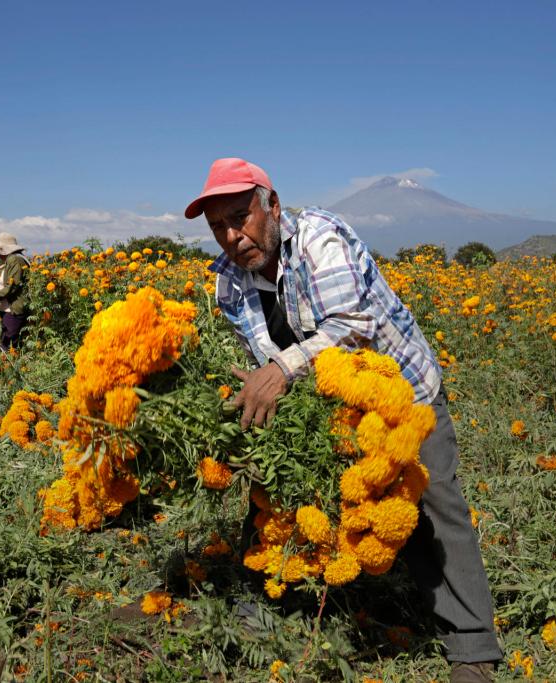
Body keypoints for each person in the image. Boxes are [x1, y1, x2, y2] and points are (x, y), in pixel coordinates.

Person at [184, 158, 503, 683]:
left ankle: (473, 651)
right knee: (276, 490)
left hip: (402, 392)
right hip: (329, 405)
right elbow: (266, 365)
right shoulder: (228, 286)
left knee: (432, 500)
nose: (233, 236)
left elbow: (352, 328)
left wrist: (280, 371)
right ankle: (263, 611)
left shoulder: (319, 240)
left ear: (273, 206)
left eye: (241, 216)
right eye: (219, 226)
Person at [0, 232, 32, 352]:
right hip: (10, 309)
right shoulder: (13, 260)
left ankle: (10, 369)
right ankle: (10, 367)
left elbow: (12, 287)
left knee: (9, 345)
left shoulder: (15, 260)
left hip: (13, 310)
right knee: (10, 344)